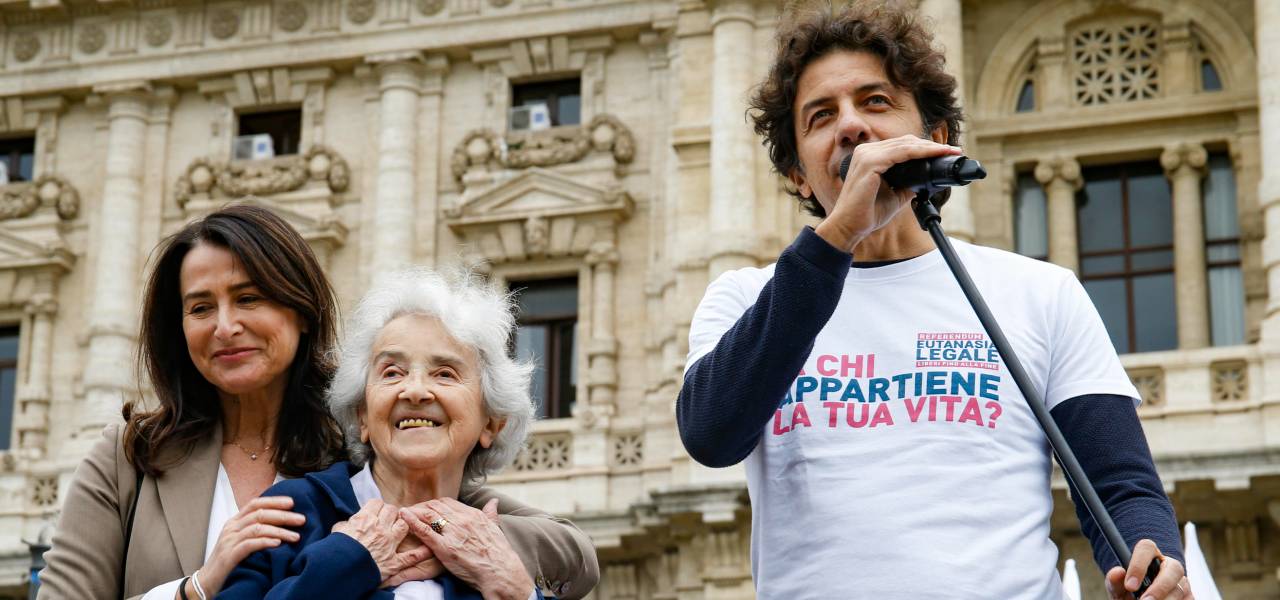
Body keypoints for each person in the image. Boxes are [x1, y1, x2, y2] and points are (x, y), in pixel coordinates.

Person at [676, 3, 1190, 599]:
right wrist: (837, 237)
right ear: (798, 174)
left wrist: (1151, 563)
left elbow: (1119, 486)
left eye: (875, 102)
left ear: (936, 139)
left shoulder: (1040, 292)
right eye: (821, 116)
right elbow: (711, 434)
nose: (851, 126)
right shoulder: (746, 298)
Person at [39, 205, 598, 599]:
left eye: (248, 298)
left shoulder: (363, 442)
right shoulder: (129, 457)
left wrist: (443, 541)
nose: (225, 326)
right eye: (200, 308)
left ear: (301, 310)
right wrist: (198, 588)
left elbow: (574, 555)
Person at [218, 267, 575, 598]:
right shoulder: (293, 513)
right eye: (392, 372)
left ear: (491, 424)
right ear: (362, 415)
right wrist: (344, 561)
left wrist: (516, 590)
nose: (415, 391)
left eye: (445, 374)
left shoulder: (492, 549)